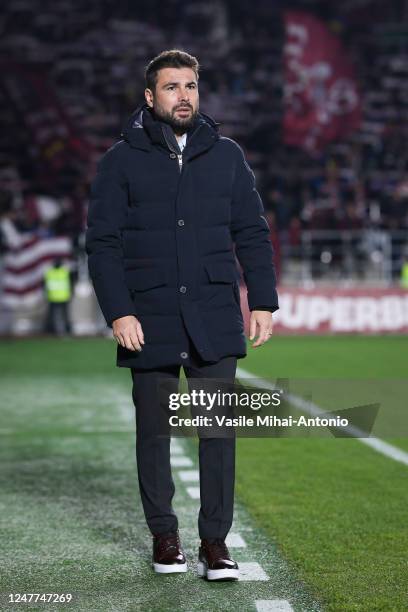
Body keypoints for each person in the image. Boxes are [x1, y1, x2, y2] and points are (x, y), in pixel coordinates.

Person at [86, 49, 279, 581]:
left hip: (215, 315)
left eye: (190, 86)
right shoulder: (119, 160)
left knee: (217, 434)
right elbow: (101, 243)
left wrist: (261, 299)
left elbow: (252, 232)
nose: (183, 96)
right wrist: (118, 312)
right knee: (154, 433)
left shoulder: (228, 155)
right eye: (171, 87)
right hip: (147, 318)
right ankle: (164, 536)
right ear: (150, 97)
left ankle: (214, 543)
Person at [43, 258, 72, 335]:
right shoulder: (64, 271)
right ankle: (57, 331)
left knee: (59, 316)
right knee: (60, 316)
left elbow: (44, 285)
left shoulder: (50, 272)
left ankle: (57, 331)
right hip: (60, 297)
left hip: (56, 297)